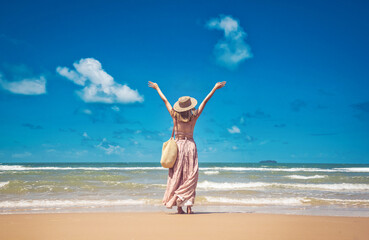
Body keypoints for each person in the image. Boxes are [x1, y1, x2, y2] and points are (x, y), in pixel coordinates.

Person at [148, 81, 226, 214]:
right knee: (190, 176)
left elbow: (165, 100)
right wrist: (214, 88)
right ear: (190, 107)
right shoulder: (194, 116)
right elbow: (205, 101)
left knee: (177, 175)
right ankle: (189, 207)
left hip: (177, 147)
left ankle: (179, 208)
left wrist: (157, 88)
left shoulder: (174, 115)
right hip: (190, 146)